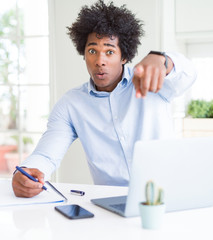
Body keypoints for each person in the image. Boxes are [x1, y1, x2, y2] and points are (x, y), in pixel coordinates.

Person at [12, 0, 196, 197]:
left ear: (124, 56)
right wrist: (28, 172)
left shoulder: (150, 79)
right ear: (83, 54)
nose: (100, 61)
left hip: (166, 196)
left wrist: (164, 60)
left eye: (110, 51)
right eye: (92, 51)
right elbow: (46, 155)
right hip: (111, 203)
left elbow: (189, 74)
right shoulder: (71, 104)